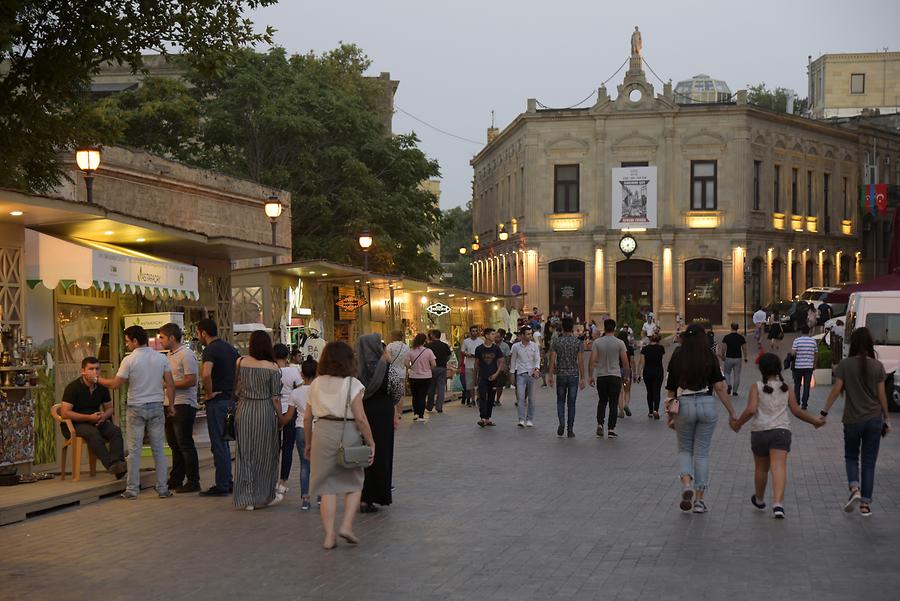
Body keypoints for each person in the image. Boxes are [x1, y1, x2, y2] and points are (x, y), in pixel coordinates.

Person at [731, 353, 824, 519]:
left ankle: (759, 500)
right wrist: (814, 421)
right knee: (778, 467)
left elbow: (752, 409)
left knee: (761, 468)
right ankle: (778, 504)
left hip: (759, 432)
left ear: (762, 369)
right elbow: (796, 411)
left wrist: (737, 424)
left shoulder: (756, 387)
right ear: (779, 368)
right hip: (781, 432)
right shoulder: (786, 387)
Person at [303, 341, 375, 549]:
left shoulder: (315, 383)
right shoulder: (353, 384)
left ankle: (328, 536)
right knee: (354, 481)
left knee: (327, 487)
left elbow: (307, 418)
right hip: (347, 433)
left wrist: (308, 442)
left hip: (322, 432)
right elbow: (360, 418)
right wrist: (371, 441)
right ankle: (346, 526)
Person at [664, 323, 738, 514]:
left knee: (684, 450)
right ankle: (699, 500)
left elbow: (671, 389)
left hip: (684, 404)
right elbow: (720, 387)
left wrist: (670, 414)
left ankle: (687, 483)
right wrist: (732, 412)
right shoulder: (709, 355)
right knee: (702, 453)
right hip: (706, 402)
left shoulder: (678, 355)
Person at [821, 327, 892, 517]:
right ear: (869, 343)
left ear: (853, 343)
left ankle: (855, 489)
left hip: (852, 420)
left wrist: (824, 412)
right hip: (874, 420)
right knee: (869, 462)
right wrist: (887, 418)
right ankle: (865, 506)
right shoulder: (877, 366)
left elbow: (836, 391)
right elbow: (882, 395)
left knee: (851, 457)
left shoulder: (845, 365)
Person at [100, 325, 176, 499]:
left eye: (127, 341)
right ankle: (163, 488)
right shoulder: (161, 358)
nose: (126, 345)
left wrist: (98, 379)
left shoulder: (129, 360)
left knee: (134, 450)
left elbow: (116, 385)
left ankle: (132, 489)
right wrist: (171, 405)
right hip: (157, 405)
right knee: (159, 449)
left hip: (136, 407)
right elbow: (170, 384)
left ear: (135, 340)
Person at [231, 331, 282, 510]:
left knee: (245, 454)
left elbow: (236, 388)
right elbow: (275, 398)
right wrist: (281, 418)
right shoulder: (273, 368)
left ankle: (246, 497)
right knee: (264, 454)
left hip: (244, 410)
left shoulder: (240, 362)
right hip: (264, 410)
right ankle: (262, 495)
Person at [60, 357, 126, 479]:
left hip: (96, 420)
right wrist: (88, 417)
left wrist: (104, 416)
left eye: (97, 369)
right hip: (75, 423)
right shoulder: (73, 387)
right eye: (91, 369)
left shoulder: (101, 387)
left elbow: (110, 409)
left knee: (115, 431)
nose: (95, 372)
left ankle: (117, 463)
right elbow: (65, 413)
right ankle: (112, 466)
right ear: (83, 371)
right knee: (93, 433)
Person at [196, 318, 240, 497]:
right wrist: (234, 392)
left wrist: (208, 393)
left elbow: (206, 374)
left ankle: (222, 483)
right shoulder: (230, 348)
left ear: (204, 333)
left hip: (217, 401)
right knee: (225, 441)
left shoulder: (210, 350)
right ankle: (227, 480)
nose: (198, 336)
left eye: (198, 333)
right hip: (230, 400)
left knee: (219, 443)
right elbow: (240, 373)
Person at [356, 333, 399, 513]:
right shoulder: (387, 367)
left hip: (360, 411)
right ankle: (377, 494)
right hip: (382, 413)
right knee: (380, 452)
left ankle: (361, 496)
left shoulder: (356, 369)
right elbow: (396, 390)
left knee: (360, 453)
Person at [158, 323, 201, 493]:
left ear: (172, 338)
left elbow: (191, 380)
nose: (159, 341)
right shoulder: (168, 355)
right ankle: (176, 477)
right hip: (168, 403)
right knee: (174, 444)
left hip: (183, 404)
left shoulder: (186, 354)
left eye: (162, 337)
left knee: (185, 443)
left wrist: (170, 385)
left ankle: (193, 480)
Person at [282, 357, 316, 510]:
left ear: (301, 374)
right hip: (318, 428)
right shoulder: (320, 391)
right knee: (320, 464)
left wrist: (279, 423)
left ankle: (305, 499)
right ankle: (322, 497)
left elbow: (289, 416)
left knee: (305, 464)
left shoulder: (295, 393)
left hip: (301, 429)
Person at [589, 319, 630, 439]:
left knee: (602, 401)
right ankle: (611, 429)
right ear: (615, 328)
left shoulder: (597, 342)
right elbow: (625, 362)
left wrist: (590, 375)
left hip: (601, 375)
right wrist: (626, 377)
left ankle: (600, 424)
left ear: (604, 328)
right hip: (615, 375)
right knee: (613, 403)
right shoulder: (620, 343)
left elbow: (592, 361)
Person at [547, 317, 585, 437]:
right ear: (572, 327)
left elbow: (552, 359)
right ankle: (570, 430)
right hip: (573, 375)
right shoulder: (577, 342)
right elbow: (580, 361)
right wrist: (583, 377)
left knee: (560, 400)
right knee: (572, 403)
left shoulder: (556, 341)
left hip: (561, 375)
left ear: (562, 327)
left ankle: (562, 422)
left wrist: (550, 375)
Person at [274, 343, 303, 496]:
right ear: (287, 356)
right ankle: (283, 481)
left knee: (274, 448)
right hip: (291, 413)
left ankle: (272, 479)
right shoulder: (293, 371)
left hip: (275, 413)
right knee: (288, 448)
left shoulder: (272, 371)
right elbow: (300, 389)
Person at [510, 325, 541, 428]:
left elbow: (537, 359)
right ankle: (521, 419)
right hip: (520, 374)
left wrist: (537, 369)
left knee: (532, 398)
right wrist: (512, 374)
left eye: (531, 333)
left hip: (531, 374)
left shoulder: (534, 346)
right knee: (521, 398)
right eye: (528, 334)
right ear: (522, 335)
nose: (530, 336)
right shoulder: (515, 347)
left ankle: (530, 419)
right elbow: (513, 361)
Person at [473, 328, 504, 427]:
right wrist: (475, 376)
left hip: (493, 377)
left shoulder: (496, 348)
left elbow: (501, 362)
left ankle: (488, 418)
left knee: (491, 398)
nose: (494, 336)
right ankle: (482, 418)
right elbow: (476, 363)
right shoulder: (479, 349)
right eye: (492, 334)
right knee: (482, 397)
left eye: (495, 334)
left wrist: (496, 374)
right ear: (486, 335)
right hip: (482, 376)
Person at [406, 333, 436, 421]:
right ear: (424, 341)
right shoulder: (428, 351)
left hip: (413, 376)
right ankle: (421, 416)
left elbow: (407, 364)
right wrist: (427, 369)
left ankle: (415, 413)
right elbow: (434, 364)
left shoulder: (410, 351)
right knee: (422, 396)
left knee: (415, 396)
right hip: (426, 377)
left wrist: (411, 368)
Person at [788, 325, 817, 410]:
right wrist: (814, 364)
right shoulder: (813, 341)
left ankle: (797, 402)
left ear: (801, 332)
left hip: (798, 366)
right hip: (809, 366)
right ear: (809, 331)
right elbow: (816, 354)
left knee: (797, 385)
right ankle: (804, 404)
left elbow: (793, 353)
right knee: (807, 385)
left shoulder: (797, 341)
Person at [637, 334, 665, 419]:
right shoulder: (661, 348)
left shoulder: (645, 349)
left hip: (647, 372)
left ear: (649, 340)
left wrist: (638, 374)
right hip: (658, 371)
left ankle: (650, 411)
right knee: (657, 390)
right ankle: (656, 409)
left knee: (649, 391)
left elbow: (641, 362)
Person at [425, 329, 452, 413]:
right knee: (441, 387)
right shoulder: (445, 345)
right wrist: (444, 361)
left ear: (433, 335)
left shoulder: (429, 346)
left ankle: (429, 406)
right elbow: (448, 356)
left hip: (431, 368)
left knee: (431, 387)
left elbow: (426, 357)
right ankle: (439, 407)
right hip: (442, 368)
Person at [721, 323, 748, 397]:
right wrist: (745, 357)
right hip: (738, 358)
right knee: (737, 375)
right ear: (737, 328)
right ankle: (735, 391)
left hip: (729, 357)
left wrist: (722, 355)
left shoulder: (726, 337)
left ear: (731, 328)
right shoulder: (741, 338)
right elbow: (744, 349)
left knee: (726, 373)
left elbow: (723, 348)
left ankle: (729, 384)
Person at [461, 326, 483, 407]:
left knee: (479, 382)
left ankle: (479, 398)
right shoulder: (466, 341)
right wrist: (468, 354)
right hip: (469, 364)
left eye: (476, 331)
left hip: (479, 364)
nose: (474, 332)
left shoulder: (481, 341)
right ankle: (472, 399)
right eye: (473, 331)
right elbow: (462, 351)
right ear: (470, 332)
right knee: (470, 383)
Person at [616, 327, 634, 417]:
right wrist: (634, 372)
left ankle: (621, 410)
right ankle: (626, 404)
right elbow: (632, 361)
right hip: (627, 370)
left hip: (618, 370)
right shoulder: (630, 348)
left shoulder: (616, 348)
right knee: (627, 390)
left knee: (619, 391)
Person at [494, 329, 511, 407]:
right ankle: (491, 399)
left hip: (501, 368)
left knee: (499, 385)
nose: (496, 338)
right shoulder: (492, 344)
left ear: (501, 337)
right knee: (492, 385)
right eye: (495, 336)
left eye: (498, 337)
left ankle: (497, 399)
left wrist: (506, 367)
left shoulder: (505, 346)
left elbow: (507, 357)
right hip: (492, 368)